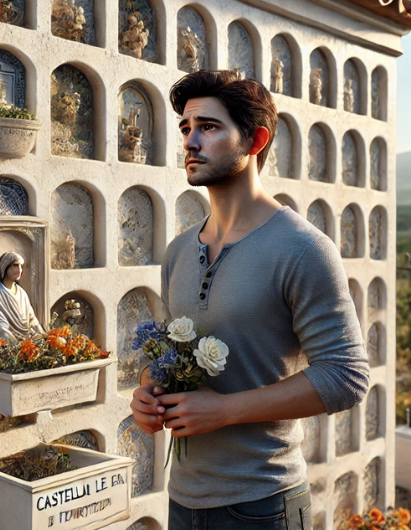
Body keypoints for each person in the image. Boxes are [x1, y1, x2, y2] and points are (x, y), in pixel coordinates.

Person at [130, 70, 369, 530]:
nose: (190, 141)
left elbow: (346, 376)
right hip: (181, 500)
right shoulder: (179, 250)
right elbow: (168, 352)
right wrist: (149, 394)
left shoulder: (302, 248)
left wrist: (224, 410)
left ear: (255, 140)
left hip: (262, 505)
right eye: (186, 127)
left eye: (209, 127)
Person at [0, 251, 45, 342]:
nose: (20, 270)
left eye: (21, 266)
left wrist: (43, 334)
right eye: (15, 265)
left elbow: (32, 319)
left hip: (28, 338)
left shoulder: (22, 292)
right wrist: (9, 335)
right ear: (5, 267)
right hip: (12, 340)